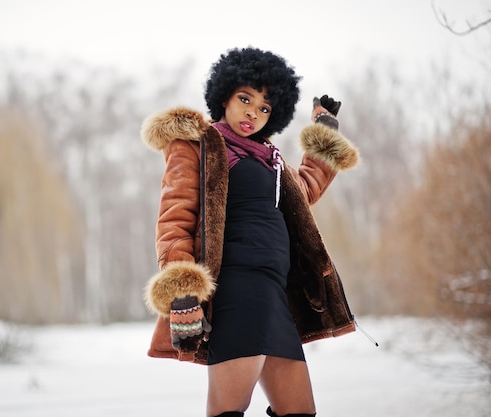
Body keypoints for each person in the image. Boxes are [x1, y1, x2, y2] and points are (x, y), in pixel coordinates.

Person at [141, 47, 360, 417]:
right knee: (228, 410)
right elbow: (175, 219)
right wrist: (182, 291)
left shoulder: (270, 159)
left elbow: (304, 191)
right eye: (245, 99)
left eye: (264, 108)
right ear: (224, 95)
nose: (252, 113)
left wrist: (324, 132)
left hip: (276, 294)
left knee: (299, 411)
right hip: (238, 291)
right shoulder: (201, 146)